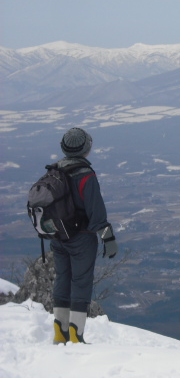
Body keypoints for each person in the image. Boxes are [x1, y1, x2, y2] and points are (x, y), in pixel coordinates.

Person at [51, 127, 118, 344]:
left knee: (62, 279)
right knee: (81, 282)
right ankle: (76, 334)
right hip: (81, 237)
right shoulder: (85, 175)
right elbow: (96, 212)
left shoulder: (54, 171)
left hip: (57, 236)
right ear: (86, 149)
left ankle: (59, 331)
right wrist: (108, 238)